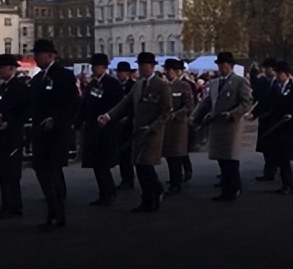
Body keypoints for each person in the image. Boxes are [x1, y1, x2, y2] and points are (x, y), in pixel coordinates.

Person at [99, 52, 171, 212]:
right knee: (140, 165)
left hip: (152, 132)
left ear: (152, 66)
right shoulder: (138, 84)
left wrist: (153, 127)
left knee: (144, 164)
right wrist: (109, 116)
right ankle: (150, 196)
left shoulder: (161, 85)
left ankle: (152, 195)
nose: (141, 68)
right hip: (138, 130)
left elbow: (166, 111)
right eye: (139, 65)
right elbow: (125, 103)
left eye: (144, 65)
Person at [29, 39, 79, 230]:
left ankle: (58, 214)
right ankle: (52, 213)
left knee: (53, 174)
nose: (35, 57)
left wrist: (55, 118)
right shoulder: (37, 79)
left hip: (56, 134)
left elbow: (72, 103)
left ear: (50, 55)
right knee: (43, 173)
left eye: (38, 54)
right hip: (40, 134)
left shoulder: (63, 76)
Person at [190, 52, 253, 201]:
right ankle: (226, 187)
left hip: (231, 125)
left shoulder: (239, 81)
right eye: (219, 65)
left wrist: (233, 114)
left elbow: (246, 102)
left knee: (230, 158)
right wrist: (195, 116)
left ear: (230, 66)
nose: (220, 67)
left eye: (223, 65)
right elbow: (206, 103)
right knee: (221, 159)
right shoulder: (215, 83)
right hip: (216, 124)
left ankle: (234, 187)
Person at [74, 53, 124, 206]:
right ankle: (104, 192)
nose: (94, 69)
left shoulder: (112, 84)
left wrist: (109, 118)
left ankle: (109, 192)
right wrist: (77, 122)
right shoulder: (91, 85)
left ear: (104, 67)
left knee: (102, 163)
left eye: (97, 66)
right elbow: (85, 105)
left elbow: (118, 106)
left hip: (106, 128)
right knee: (96, 163)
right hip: (92, 128)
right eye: (93, 66)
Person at [0, 54, 30, 219]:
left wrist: (9, 122)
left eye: (2, 67)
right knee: (3, 171)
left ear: (11, 69)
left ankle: (14, 205)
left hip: (12, 135)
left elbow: (23, 111)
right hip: (2, 134)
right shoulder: (2, 88)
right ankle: (7, 204)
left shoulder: (19, 88)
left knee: (11, 172)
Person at [248, 61, 293, 194]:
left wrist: (292, 115)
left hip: (288, 127)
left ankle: (288, 184)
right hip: (276, 126)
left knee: (284, 157)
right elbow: (265, 103)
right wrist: (254, 114)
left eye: (280, 74)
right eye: (277, 74)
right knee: (278, 155)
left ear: (287, 74)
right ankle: (283, 181)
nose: (278, 76)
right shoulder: (274, 88)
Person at [161, 59, 194, 195]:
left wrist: (177, 114)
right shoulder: (165, 86)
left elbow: (189, 105)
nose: (167, 72)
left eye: (169, 70)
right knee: (170, 154)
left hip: (179, 125)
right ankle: (174, 179)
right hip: (167, 125)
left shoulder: (183, 86)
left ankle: (177, 182)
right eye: (166, 70)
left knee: (177, 154)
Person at [114, 61, 137, 190]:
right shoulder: (117, 86)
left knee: (127, 153)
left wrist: (129, 117)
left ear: (127, 73)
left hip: (129, 124)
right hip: (118, 124)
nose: (119, 75)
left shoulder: (132, 86)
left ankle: (129, 179)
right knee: (121, 154)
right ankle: (125, 178)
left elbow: (134, 105)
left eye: (121, 72)